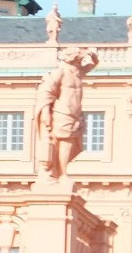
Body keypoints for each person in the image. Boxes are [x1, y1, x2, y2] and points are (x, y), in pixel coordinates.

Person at [35, 47, 99, 181]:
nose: (81, 58)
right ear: (72, 57)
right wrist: (46, 112)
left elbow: (94, 63)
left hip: (75, 114)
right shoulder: (60, 72)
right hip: (62, 112)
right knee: (62, 142)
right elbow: (46, 92)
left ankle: (61, 172)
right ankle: (61, 174)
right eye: (79, 55)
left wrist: (91, 53)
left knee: (68, 144)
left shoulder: (78, 72)